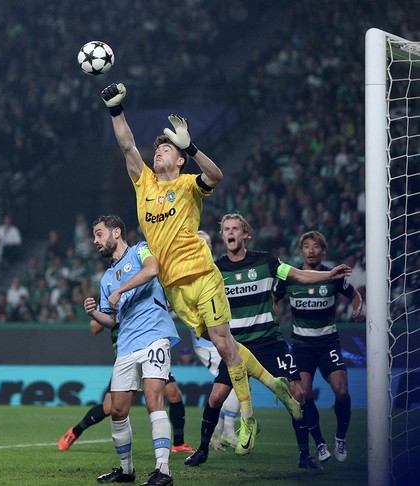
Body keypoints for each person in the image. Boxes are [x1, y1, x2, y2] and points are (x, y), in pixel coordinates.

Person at [101, 82, 302, 456]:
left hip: (202, 275)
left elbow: (217, 175)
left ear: (178, 161)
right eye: (159, 147)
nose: (160, 150)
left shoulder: (188, 183)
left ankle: (247, 417)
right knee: (223, 344)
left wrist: (190, 147)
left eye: (167, 149)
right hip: (174, 288)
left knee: (225, 344)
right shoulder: (143, 183)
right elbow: (127, 144)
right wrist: (116, 109)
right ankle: (275, 384)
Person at [183, 214, 351, 470]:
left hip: (269, 342)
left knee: (298, 393)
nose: (230, 233)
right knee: (216, 398)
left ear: (245, 234)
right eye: (226, 229)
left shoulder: (266, 261)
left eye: (235, 229)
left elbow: (298, 275)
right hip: (235, 347)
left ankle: (304, 456)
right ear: (223, 235)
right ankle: (202, 451)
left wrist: (328, 277)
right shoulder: (215, 270)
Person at [84, 214, 181, 486]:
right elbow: (111, 320)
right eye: (94, 236)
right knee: (117, 409)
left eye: (99, 234)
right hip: (126, 344)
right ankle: (126, 470)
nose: (95, 241)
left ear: (116, 232)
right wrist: (94, 314)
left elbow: (153, 269)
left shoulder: (140, 249)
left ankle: (163, 471)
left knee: (153, 400)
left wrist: (120, 291)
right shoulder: (106, 279)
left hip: (154, 337)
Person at [273, 230, 364, 464]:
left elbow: (355, 295)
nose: (311, 250)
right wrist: (271, 318)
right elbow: (273, 300)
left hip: (328, 343)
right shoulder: (290, 277)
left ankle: (340, 437)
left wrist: (357, 308)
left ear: (323, 251)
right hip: (302, 345)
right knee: (303, 394)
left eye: (316, 246)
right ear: (300, 251)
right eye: (307, 246)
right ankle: (320, 442)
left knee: (341, 390)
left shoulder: (332, 276)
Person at [57, 319, 195, 454]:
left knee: (174, 394)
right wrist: (114, 313)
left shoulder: (144, 296)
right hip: (127, 356)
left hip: (149, 350)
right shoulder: (111, 298)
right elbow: (95, 327)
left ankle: (179, 443)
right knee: (109, 407)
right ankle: (74, 432)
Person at [193, 230, 240, 451]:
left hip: (226, 334)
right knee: (234, 378)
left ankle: (218, 434)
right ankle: (228, 432)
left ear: (211, 247)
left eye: (207, 242)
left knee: (231, 382)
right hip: (208, 341)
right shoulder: (192, 272)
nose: (203, 246)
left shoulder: (219, 268)